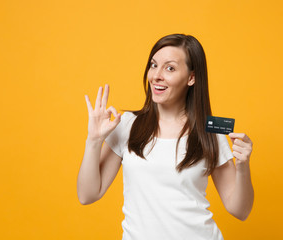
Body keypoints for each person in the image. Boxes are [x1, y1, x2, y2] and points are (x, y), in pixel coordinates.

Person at [77, 34, 254, 240]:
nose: (156, 76)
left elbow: (239, 210)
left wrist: (243, 166)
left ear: (191, 77)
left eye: (170, 68)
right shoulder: (127, 125)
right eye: (153, 65)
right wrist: (94, 141)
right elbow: (87, 195)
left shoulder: (209, 132)